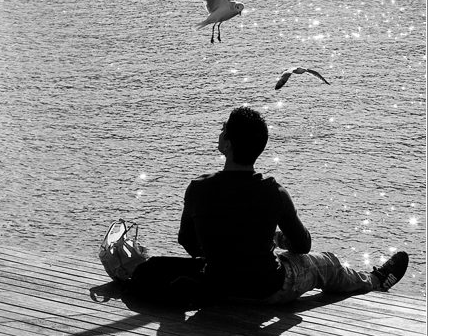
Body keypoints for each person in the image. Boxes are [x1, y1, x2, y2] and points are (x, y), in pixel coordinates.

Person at [126, 106, 409, 306]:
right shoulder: (274, 192)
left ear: (226, 144)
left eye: (223, 127)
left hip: (219, 287)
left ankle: (372, 279)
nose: (221, 130)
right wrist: (275, 239)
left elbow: (186, 240)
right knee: (329, 264)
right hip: (267, 290)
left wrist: (224, 254)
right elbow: (303, 246)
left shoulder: (198, 188)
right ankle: (374, 280)